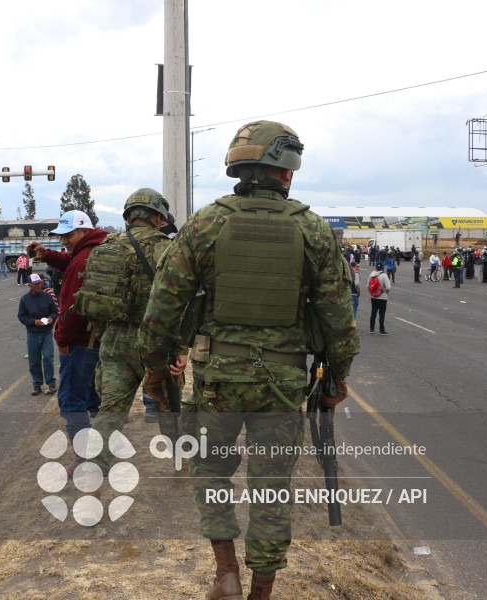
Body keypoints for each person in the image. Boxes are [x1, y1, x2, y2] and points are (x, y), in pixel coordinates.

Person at [138, 121, 359, 600]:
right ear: (287, 171)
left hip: (218, 380)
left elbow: (162, 307)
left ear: (238, 166)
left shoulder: (204, 223)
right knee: (272, 488)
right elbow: (339, 322)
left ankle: (225, 571)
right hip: (282, 384)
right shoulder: (313, 229)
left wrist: (156, 370)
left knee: (210, 472)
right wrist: (337, 377)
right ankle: (261, 590)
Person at [86, 189, 181, 476]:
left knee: (110, 410)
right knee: (168, 407)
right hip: (155, 345)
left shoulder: (105, 246)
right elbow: (178, 303)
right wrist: (183, 350)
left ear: (128, 217)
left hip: (115, 342)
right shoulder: (165, 248)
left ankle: (96, 468)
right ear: (157, 217)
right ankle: (179, 463)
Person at [29, 210, 108, 468]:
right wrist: (48, 255)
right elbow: (73, 260)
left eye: (69, 235)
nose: (64, 241)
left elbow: (73, 308)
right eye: (61, 237)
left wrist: (61, 338)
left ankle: (85, 457)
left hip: (80, 343)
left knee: (71, 400)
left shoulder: (81, 260)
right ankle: (104, 445)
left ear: (84, 231)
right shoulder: (98, 250)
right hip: (100, 340)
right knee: (94, 397)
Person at [17, 273, 58, 395]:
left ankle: (51, 383)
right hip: (33, 334)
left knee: (48, 358)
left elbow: (54, 311)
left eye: (39, 283)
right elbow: (21, 316)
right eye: (35, 284)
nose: (39, 286)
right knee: (34, 360)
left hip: (46, 333)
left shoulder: (47, 296)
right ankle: (37, 384)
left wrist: (51, 318)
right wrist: (34, 322)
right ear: (30, 285)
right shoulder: (25, 299)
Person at [368, 261, 391, 335]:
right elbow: (388, 287)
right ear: (382, 268)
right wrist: (386, 293)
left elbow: (368, 286)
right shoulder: (384, 275)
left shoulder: (372, 274)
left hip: (374, 297)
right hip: (382, 297)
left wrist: (372, 293)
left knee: (373, 312)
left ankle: (371, 328)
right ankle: (381, 330)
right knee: (381, 314)